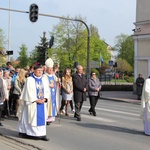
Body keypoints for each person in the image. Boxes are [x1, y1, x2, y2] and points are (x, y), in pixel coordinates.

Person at [17, 65, 50, 141]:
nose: (40, 72)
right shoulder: (30, 79)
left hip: (42, 103)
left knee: (41, 118)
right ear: (34, 71)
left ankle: (42, 134)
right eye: (38, 70)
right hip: (32, 103)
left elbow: (47, 90)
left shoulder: (44, 79)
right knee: (31, 118)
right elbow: (28, 92)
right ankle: (30, 133)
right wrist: (35, 100)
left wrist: (45, 99)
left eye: (41, 71)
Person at [43, 58, 60, 125]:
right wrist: (49, 85)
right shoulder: (44, 76)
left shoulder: (53, 75)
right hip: (48, 93)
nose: (50, 70)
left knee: (53, 105)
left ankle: (51, 118)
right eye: (49, 69)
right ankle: (46, 117)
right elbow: (43, 84)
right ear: (46, 69)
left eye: (51, 69)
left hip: (53, 93)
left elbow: (56, 80)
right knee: (48, 105)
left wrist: (58, 81)